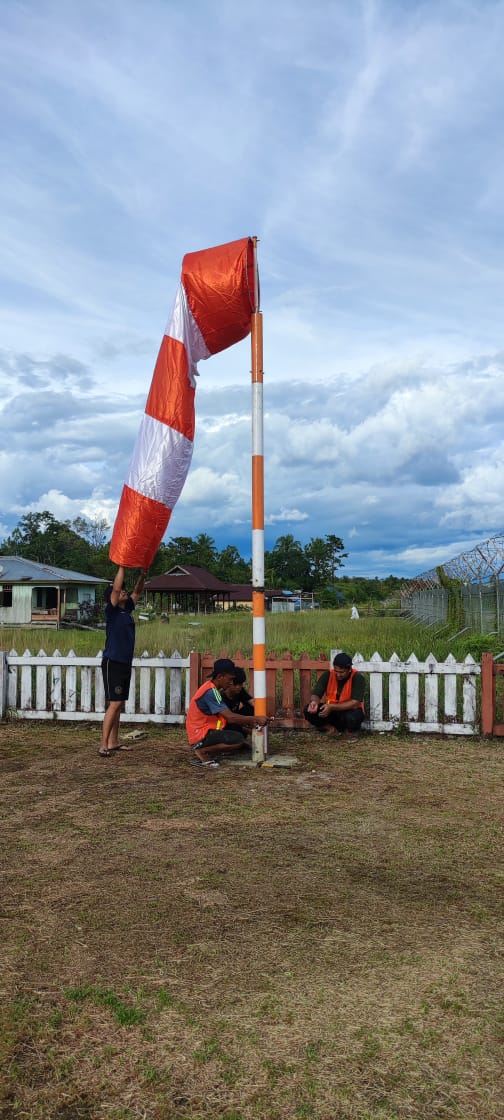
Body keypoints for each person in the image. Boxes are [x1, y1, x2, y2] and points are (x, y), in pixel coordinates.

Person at [98, 565, 147, 757]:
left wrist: (142, 576)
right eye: (119, 592)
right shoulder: (112, 611)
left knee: (119, 703)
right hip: (113, 661)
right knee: (115, 703)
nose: (123, 592)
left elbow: (137, 591)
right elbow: (117, 589)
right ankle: (103, 744)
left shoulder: (126, 611)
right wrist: (122, 566)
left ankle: (113, 742)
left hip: (124, 662)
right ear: (113, 598)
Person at [186, 658, 267, 768]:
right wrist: (256, 719)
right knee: (237, 740)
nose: (231, 683)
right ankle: (202, 751)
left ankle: (206, 748)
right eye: (230, 679)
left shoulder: (211, 689)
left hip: (205, 729)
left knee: (237, 737)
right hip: (201, 733)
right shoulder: (211, 692)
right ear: (220, 677)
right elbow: (230, 718)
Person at [304, 651, 365, 737]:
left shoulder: (357, 678)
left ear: (349, 669)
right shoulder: (328, 674)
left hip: (348, 711)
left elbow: (355, 702)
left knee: (354, 717)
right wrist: (314, 702)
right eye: (336, 671)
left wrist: (332, 707)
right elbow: (316, 693)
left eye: (342, 672)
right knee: (308, 710)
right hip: (331, 712)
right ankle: (330, 729)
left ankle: (350, 731)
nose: (338, 674)